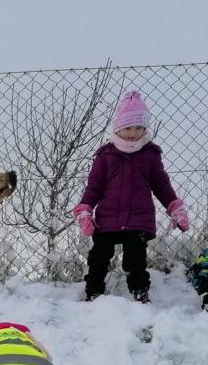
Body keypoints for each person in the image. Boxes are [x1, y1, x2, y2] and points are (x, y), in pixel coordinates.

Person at [72, 89, 189, 304]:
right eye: (128, 127)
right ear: (118, 128)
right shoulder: (105, 156)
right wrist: (85, 208)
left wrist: (174, 207)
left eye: (139, 127)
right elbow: (94, 187)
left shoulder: (150, 155)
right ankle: (93, 290)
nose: (133, 132)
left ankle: (140, 291)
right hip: (108, 218)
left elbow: (161, 185)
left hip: (138, 219)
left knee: (136, 259)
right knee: (99, 255)